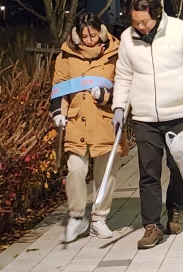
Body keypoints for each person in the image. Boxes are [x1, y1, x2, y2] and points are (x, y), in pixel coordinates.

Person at [112, 0, 183, 249]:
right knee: (148, 173)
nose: (140, 27)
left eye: (144, 21)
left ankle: (175, 209)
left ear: (157, 14)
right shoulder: (127, 38)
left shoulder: (181, 31)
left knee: (180, 168)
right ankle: (152, 226)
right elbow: (123, 75)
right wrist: (119, 107)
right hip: (144, 117)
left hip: (178, 114)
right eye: (135, 22)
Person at [51, 12, 122, 243]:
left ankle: (99, 219)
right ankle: (77, 215)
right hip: (76, 121)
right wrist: (58, 114)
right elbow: (59, 87)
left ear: (101, 31)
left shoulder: (115, 53)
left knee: (106, 173)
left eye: (93, 34)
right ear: (77, 35)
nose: (89, 40)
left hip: (105, 121)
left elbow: (125, 85)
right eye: (84, 35)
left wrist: (106, 96)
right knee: (75, 170)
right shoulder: (66, 55)